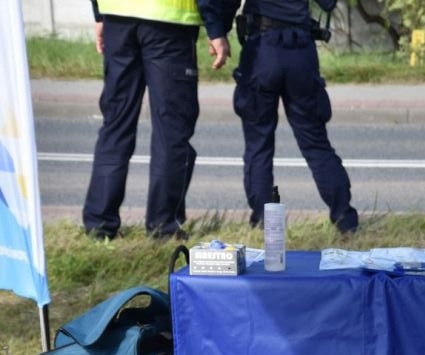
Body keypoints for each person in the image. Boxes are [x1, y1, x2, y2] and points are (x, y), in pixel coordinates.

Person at [200, 0, 358, 232]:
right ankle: (345, 220)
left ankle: (264, 223)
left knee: (258, 144)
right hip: (301, 52)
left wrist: (218, 32)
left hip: (261, 51)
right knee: (316, 143)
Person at [83, 0, 232, 240]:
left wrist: (99, 14)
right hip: (169, 22)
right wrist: (217, 29)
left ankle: (99, 226)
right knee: (171, 129)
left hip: (117, 17)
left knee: (116, 123)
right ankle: (163, 227)